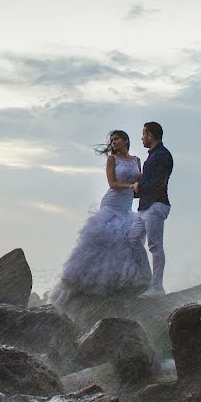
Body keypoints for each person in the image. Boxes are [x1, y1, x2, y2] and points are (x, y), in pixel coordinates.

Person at [49, 130, 152, 309]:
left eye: (116, 139)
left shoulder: (136, 161)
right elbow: (112, 184)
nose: (113, 142)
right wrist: (130, 186)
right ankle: (86, 284)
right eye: (111, 140)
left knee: (128, 242)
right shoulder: (112, 160)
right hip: (111, 204)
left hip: (127, 207)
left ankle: (123, 283)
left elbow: (140, 184)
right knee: (105, 241)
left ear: (126, 141)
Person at [130, 121, 173, 296]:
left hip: (156, 205)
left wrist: (138, 187)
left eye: (143, 134)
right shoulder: (153, 155)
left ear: (150, 135)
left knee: (155, 246)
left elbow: (155, 182)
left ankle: (157, 287)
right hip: (146, 206)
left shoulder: (162, 155)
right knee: (133, 238)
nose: (141, 137)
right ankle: (147, 279)